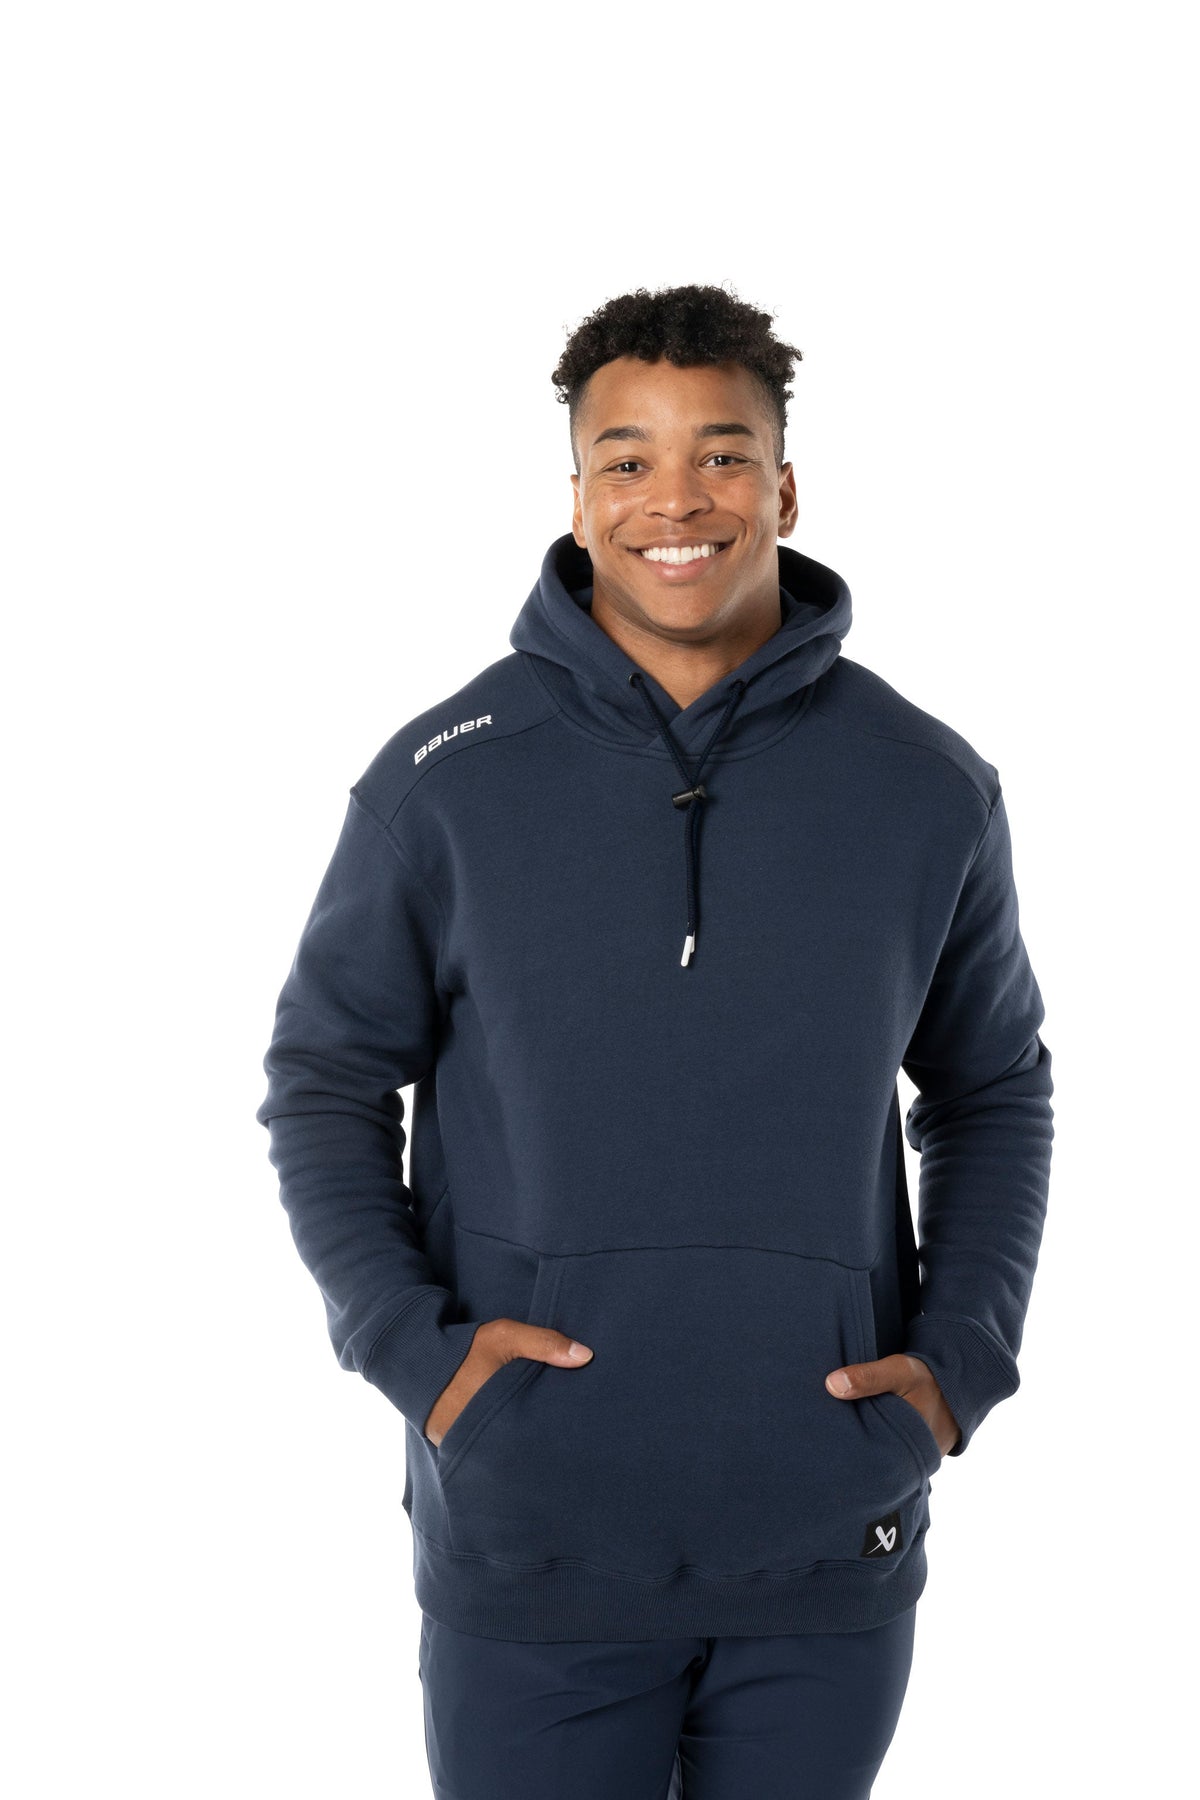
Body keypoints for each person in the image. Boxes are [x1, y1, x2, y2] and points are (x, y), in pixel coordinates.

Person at [255, 282, 1055, 1799]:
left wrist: (960, 1362)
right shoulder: (444, 781)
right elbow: (325, 1083)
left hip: (827, 1531)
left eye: (722, 455)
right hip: (531, 1533)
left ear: (785, 488)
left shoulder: (925, 785)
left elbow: (994, 1087)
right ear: (577, 495)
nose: (675, 500)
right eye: (627, 460)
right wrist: (419, 1358)